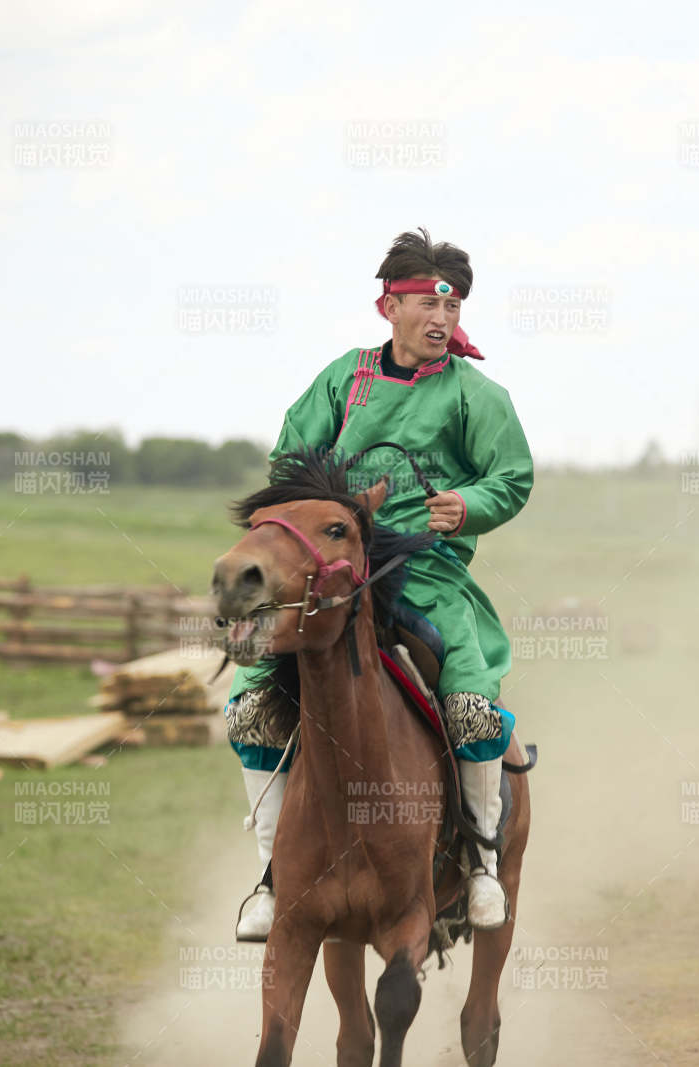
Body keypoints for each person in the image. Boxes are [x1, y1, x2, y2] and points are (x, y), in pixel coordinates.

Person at [229, 227, 533, 941]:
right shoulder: (344, 377)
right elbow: (289, 459)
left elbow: (512, 475)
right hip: (337, 571)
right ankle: (273, 876)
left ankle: (483, 862)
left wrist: (468, 506)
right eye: (426, 304)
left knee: (468, 702)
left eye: (452, 307)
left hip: (424, 571)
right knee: (249, 707)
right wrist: (332, 510)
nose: (441, 320)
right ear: (387, 308)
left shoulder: (475, 394)